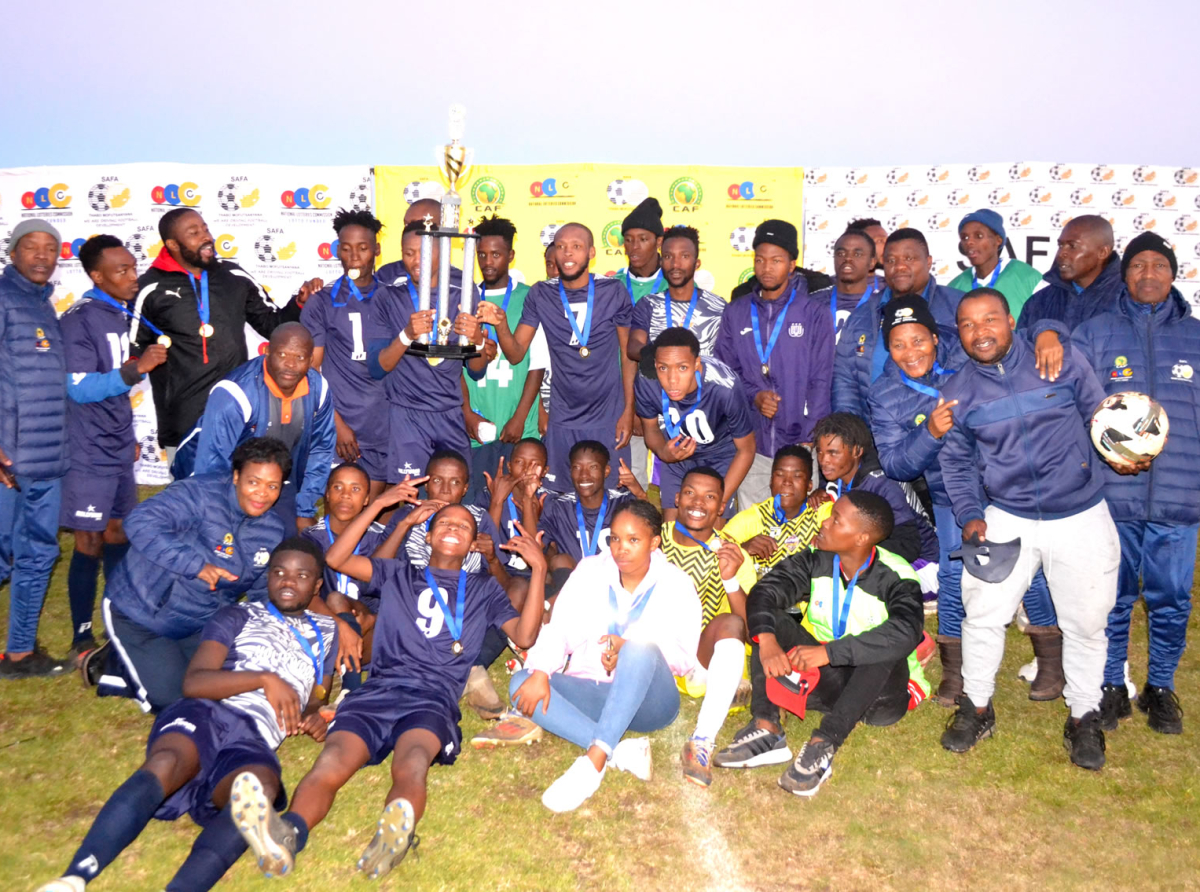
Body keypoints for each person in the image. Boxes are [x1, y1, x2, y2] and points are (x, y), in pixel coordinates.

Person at [233, 498, 546, 880]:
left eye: (463, 527)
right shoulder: (399, 572)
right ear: (428, 536)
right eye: (444, 522)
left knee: (413, 761)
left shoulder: (483, 588)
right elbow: (336, 558)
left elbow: (526, 636)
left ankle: (391, 835)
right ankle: (289, 833)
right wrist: (386, 507)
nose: (453, 528)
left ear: (472, 545)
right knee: (333, 758)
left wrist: (540, 567)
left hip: (434, 695)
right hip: (380, 688)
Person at [36, 538, 336, 892]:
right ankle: (74, 877)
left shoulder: (327, 632)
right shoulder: (239, 614)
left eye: (302, 575)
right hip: (208, 711)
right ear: (267, 577)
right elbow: (195, 682)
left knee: (261, 790)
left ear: (317, 585)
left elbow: (318, 690)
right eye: (279, 572)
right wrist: (263, 679)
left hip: (256, 735)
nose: (288, 582)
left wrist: (316, 713)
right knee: (167, 764)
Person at [938, 288, 1118, 770]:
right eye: (969, 324)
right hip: (1008, 513)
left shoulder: (1058, 359)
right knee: (982, 612)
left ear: (1011, 319)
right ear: (959, 332)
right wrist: (969, 514)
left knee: (1086, 622)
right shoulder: (957, 391)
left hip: (1080, 511)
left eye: (990, 319)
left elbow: (1101, 419)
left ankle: (1083, 715)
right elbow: (955, 462)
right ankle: (976, 705)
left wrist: (1121, 453)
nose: (981, 332)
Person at [714, 491, 926, 797]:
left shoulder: (897, 576)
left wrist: (828, 652)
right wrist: (768, 639)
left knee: (882, 641)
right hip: (832, 680)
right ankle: (767, 727)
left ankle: (823, 743)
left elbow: (904, 631)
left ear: (861, 537)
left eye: (836, 519)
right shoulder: (818, 559)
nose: (824, 522)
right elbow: (766, 591)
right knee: (767, 619)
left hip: (879, 696)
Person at [1072, 233, 1198, 736]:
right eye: (1138, 265)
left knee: (1171, 597)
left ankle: (1161, 686)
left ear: (1173, 274)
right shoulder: (1097, 332)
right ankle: (1110, 684)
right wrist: (1104, 455)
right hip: (1113, 492)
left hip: (1179, 496)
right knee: (1112, 595)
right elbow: (1076, 402)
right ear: (1124, 275)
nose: (1148, 274)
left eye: (1158, 265)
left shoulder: (1194, 336)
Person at [510, 500, 701, 811]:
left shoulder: (677, 584)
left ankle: (594, 761)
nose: (621, 549)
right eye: (615, 538)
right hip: (594, 691)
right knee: (521, 682)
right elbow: (560, 629)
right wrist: (542, 672)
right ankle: (621, 751)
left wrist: (628, 647)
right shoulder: (590, 571)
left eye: (633, 540)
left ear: (654, 542)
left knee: (640, 648)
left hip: (649, 703)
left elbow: (683, 657)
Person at [95, 438, 291, 713]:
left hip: (201, 623)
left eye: (272, 486)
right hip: (142, 614)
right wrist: (195, 565)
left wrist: (274, 630)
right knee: (175, 701)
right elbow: (139, 521)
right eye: (253, 482)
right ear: (235, 476)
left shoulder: (272, 529)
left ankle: (143, 661)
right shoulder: (199, 493)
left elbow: (261, 590)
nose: (262, 494)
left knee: (224, 691)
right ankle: (119, 661)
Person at [58, 236, 169, 668]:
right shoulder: (78, 319)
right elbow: (79, 387)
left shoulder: (121, 313)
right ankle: (81, 636)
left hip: (118, 442)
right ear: (96, 276)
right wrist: (134, 369)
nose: (131, 276)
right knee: (88, 539)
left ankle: (118, 620)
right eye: (120, 271)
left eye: (132, 267)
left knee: (119, 533)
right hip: (86, 447)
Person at [130, 208, 313, 454]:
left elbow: (272, 325)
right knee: (189, 492)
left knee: (240, 490)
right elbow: (132, 348)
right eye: (194, 233)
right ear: (173, 244)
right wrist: (140, 363)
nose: (206, 237)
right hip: (183, 420)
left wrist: (299, 303)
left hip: (237, 411)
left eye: (205, 229)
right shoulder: (149, 288)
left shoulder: (233, 276)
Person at [477, 223, 635, 492]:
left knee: (612, 496)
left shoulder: (613, 291)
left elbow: (628, 354)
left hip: (608, 417)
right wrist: (501, 324)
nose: (567, 254)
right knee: (560, 498)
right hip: (563, 418)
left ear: (592, 252)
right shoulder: (541, 294)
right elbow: (516, 355)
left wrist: (628, 410)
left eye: (576, 246)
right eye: (561, 247)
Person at [172, 323, 334, 533]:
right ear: (267, 351)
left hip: (273, 476)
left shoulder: (319, 389)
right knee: (223, 544)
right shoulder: (235, 392)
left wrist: (304, 510)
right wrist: (219, 517)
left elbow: (320, 449)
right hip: (212, 475)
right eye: (282, 354)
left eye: (300, 357)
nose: (290, 365)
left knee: (286, 544)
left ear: (311, 360)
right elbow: (212, 462)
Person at [715, 220, 834, 506]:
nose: (767, 268)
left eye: (777, 260)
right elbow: (725, 373)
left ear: (792, 264)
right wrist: (753, 395)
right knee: (753, 532)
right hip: (752, 447)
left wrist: (810, 435)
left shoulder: (814, 313)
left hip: (799, 444)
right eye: (760, 260)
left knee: (800, 534)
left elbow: (821, 378)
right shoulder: (737, 311)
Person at [656, 468, 759, 786]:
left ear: (721, 507)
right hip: (650, 657)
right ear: (677, 498)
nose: (697, 502)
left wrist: (729, 578)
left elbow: (751, 626)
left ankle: (702, 740)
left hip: (697, 662)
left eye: (709, 497)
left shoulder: (733, 553)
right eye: (690, 493)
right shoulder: (651, 539)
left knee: (729, 622)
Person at [0, 219, 69, 678]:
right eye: (31, 247)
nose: (42, 256)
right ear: (12, 253)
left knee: (39, 552)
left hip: (47, 457)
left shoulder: (45, 307)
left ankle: (20, 653)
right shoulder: (5, 300)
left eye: (50, 248)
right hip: (8, 459)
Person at [368, 220, 487, 482]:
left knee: (454, 499)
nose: (415, 260)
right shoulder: (387, 297)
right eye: (408, 253)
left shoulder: (465, 295)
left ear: (441, 252)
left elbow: (477, 372)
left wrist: (477, 339)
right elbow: (377, 368)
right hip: (407, 415)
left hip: (450, 413)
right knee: (410, 497)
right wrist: (406, 335)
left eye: (423, 252)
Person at [300, 208, 396, 495]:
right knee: (342, 509)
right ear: (338, 251)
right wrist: (336, 422)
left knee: (379, 512)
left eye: (363, 248)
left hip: (384, 423)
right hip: (341, 424)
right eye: (346, 248)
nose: (355, 257)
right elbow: (311, 372)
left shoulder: (394, 297)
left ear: (377, 250)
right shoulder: (322, 302)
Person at [460, 215, 549, 506]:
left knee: (524, 501)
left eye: (496, 254)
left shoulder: (530, 296)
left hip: (519, 424)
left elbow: (536, 364)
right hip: (478, 422)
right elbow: (454, 366)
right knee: (479, 502)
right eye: (482, 254)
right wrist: (467, 414)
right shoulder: (465, 297)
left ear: (510, 255)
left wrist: (521, 417)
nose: (488, 262)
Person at [833, 228, 965, 423]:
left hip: (947, 434)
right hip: (877, 436)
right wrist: (850, 431)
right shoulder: (862, 316)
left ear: (928, 262)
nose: (899, 267)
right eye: (891, 261)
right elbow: (845, 380)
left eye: (909, 259)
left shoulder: (958, 307)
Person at [634, 328, 756, 521]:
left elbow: (747, 449)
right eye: (663, 368)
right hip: (676, 458)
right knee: (671, 532)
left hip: (720, 457)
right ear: (656, 365)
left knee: (713, 532)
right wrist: (664, 452)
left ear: (696, 365)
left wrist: (720, 499)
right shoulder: (646, 380)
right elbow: (650, 428)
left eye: (682, 368)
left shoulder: (725, 385)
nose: (672, 380)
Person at [810, 413, 939, 573]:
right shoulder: (835, 478)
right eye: (820, 452)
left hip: (923, 563)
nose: (823, 460)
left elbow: (908, 544)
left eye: (833, 453)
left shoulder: (883, 483)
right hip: (871, 555)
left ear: (857, 451)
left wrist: (846, 551)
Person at [301, 463, 390, 689]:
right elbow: (304, 598)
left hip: (367, 632)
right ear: (327, 494)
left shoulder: (381, 538)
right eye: (338, 487)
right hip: (324, 627)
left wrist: (367, 621)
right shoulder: (309, 540)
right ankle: (349, 686)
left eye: (355, 489)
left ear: (368, 499)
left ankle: (348, 684)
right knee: (334, 599)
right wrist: (341, 623)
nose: (346, 496)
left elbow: (393, 594)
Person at [627, 225, 728, 360]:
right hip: (656, 381)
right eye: (668, 256)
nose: (675, 264)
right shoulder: (648, 304)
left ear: (697, 263)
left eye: (684, 256)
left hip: (701, 381)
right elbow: (634, 345)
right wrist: (659, 355)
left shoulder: (718, 307)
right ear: (661, 262)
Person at [539, 441, 639, 573]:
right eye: (577, 467)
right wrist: (528, 501)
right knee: (559, 561)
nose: (584, 475)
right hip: (574, 584)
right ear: (570, 471)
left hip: (616, 582)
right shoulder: (558, 507)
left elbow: (650, 531)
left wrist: (638, 491)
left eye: (593, 467)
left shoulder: (623, 503)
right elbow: (536, 547)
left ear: (606, 471)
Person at [723, 445, 822, 578]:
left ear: (810, 485)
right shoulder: (752, 517)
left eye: (797, 476)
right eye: (780, 475)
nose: (787, 482)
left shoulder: (821, 514)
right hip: (758, 597)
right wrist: (742, 549)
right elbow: (711, 554)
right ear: (770, 481)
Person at [1017, 215, 1122, 336]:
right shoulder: (1039, 301)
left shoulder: (1127, 298)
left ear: (1102, 252)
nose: (1062, 254)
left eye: (1072, 246)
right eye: (1061, 245)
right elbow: (1021, 349)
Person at [948, 210, 1042, 320]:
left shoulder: (1029, 278)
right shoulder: (953, 288)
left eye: (978, 236)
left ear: (998, 240)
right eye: (965, 237)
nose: (969, 242)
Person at [375, 197, 464, 290]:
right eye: (406, 224)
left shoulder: (462, 283)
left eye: (419, 225)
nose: (410, 230)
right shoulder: (386, 275)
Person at [827, 228, 880, 344]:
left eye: (857, 254)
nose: (847, 258)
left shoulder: (881, 306)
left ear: (872, 263)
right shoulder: (814, 303)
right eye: (841, 253)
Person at [615, 197, 668, 305]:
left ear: (658, 242)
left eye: (643, 239)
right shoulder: (614, 284)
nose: (634, 246)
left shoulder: (675, 282)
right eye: (628, 240)